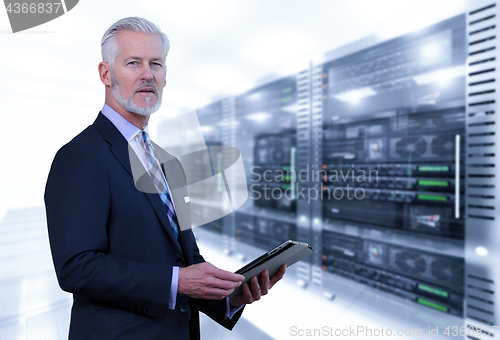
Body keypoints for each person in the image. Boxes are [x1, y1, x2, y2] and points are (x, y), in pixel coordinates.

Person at [44, 17, 286, 340]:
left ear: (165, 76)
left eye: (156, 64)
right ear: (105, 74)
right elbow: (77, 267)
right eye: (134, 63)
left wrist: (230, 296)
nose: (148, 74)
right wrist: (176, 281)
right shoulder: (81, 156)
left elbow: (186, 262)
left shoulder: (167, 162)